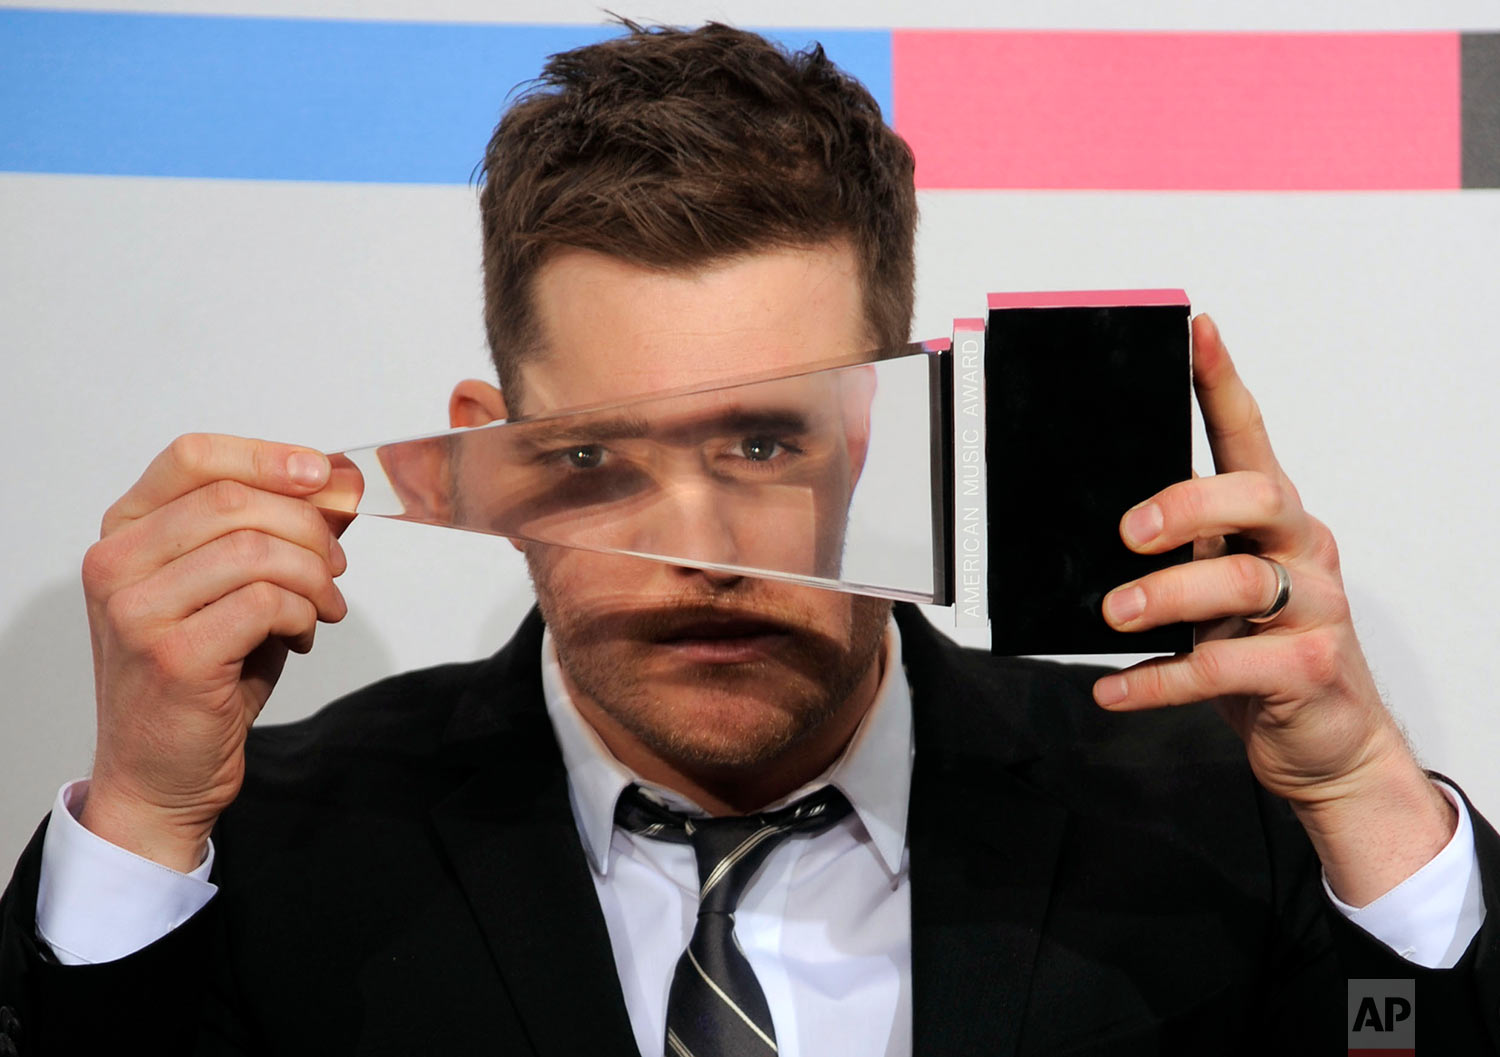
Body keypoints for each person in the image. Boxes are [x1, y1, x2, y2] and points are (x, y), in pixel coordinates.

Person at [2, 21, 1497, 1056]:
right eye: (596, 459)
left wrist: (1371, 805)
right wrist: (138, 817)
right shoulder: (272, 851)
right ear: (493, 453)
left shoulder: (1205, 820)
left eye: (768, 444)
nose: (702, 549)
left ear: (888, 439)